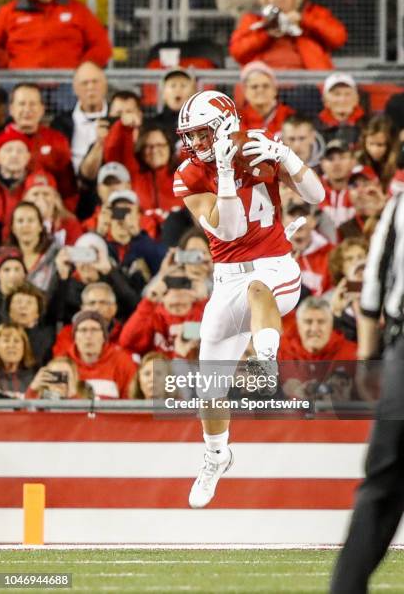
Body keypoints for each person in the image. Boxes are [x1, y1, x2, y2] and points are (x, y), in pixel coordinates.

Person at [172, 89, 324, 508]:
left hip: (275, 268)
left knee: (259, 288)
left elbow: (316, 196)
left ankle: (266, 359)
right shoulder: (190, 173)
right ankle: (217, 455)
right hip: (226, 280)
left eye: (202, 134)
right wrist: (222, 173)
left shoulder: (258, 145)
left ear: (223, 124)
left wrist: (285, 155)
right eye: (192, 136)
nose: (195, 144)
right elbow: (229, 231)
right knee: (211, 388)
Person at [330, 192, 404, 594]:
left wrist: (367, 358)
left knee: (383, 479)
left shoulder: (398, 206)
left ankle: (346, 587)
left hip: (401, 350)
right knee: (383, 479)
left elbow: (374, 287)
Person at [229, 0, 346, 69]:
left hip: (307, 82)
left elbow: (338, 38)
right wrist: (266, 33)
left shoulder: (312, 13)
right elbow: (237, 52)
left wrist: (304, 21)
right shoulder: (253, 19)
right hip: (266, 81)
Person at [0, 0, 112, 69]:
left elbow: (102, 46)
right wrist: (8, 64)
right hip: (21, 85)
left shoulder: (78, 10)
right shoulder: (9, 12)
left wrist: (84, 67)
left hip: (67, 84)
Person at [4, 83, 75, 201]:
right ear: (11, 109)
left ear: (42, 109)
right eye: (22, 104)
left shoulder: (57, 140)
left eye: (33, 104)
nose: (27, 109)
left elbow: (68, 188)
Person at [52, 231, 141, 324]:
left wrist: (110, 271)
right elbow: (55, 316)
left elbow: (136, 308)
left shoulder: (116, 282)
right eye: (81, 256)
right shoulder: (67, 286)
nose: (86, 264)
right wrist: (62, 278)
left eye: (90, 256)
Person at [105, 125, 183, 227]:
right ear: (141, 150)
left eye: (160, 145)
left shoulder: (183, 174)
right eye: (148, 146)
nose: (154, 151)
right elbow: (112, 153)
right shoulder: (133, 175)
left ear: (170, 147)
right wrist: (123, 126)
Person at [119, 271, 206, 359]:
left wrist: (205, 301)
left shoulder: (205, 312)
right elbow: (127, 342)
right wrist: (149, 300)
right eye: (171, 284)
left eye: (183, 284)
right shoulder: (151, 315)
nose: (177, 292)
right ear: (163, 294)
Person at [52, 62, 109, 175]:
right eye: (85, 83)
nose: (90, 87)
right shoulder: (60, 123)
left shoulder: (116, 118)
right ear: (75, 88)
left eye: (95, 82)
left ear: (105, 85)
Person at [65, 310, 137, 399]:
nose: (88, 336)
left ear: (104, 337)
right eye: (83, 330)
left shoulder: (123, 362)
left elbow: (132, 399)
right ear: (75, 337)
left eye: (94, 330)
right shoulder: (64, 363)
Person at [79, 89, 144, 183]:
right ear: (109, 115)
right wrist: (100, 143)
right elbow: (87, 176)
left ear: (139, 116)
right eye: (118, 114)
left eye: (129, 112)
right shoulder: (100, 143)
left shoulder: (148, 142)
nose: (124, 119)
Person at [106, 190, 167, 279]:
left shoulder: (147, 244)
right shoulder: (101, 244)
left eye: (127, 212)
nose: (122, 219)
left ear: (138, 215)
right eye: (117, 212)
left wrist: (137, 236)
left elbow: (161, 265)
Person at [53, 281, 122, 356]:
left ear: (114, 308)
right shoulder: (67, 333)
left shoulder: (123, 334)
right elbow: (61, 360)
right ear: (83, 308)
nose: (96, 308)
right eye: (92, 303)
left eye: (103, 303)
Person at [282, 201, 333, 296]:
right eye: (292, 214)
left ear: (314, 221)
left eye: (302, 214)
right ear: (282, 221)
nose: (297, 220)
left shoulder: (330, 253)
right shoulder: (272, 255)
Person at [7, 201, 60, 292]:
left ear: (40, 226)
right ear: (13, 228)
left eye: (31, 220)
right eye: (20, 221)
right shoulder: (3, 257)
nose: (25, 225)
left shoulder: (56, 255)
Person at [23, 170, 83, 245]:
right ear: (26, 199)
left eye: (46, 194)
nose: (41, 199)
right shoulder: (19, 222)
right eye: (35, 194)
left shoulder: (70, 224)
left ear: (55, 198)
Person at [329, 237, 369, 342]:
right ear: (341, 267)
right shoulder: (331, 299)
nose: (356, 262)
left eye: (360, 257)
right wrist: (336, 313)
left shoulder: (384, 292)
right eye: (349, 259)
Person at [6, 281, 55, 366]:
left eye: (29, 303)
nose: (23, 306)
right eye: (18, 302)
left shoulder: (48, 338)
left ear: (38, 313)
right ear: (9, 310)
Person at [0, 130, 31, 244]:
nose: (14, 155)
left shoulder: (38, 184)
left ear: (28, 157)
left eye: (20, 151)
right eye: (8, 150)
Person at [239, 61, 294, 133]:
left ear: (275, 90)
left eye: (266, 86)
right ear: (245, 91)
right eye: (254, 87)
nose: (260, 90)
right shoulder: (237, 119)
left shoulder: (289, 115)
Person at [339, 165, 387, 241]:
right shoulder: (344, 229)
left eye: (366, 184)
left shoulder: (393, 215)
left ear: (378, 187)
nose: (360, 190)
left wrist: (385, 207)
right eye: (354, 186)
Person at [317, 73, 366, 145]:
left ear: (357, 99)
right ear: (325, 100)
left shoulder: (369, 125)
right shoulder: (314, 127)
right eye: (337, 94)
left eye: (348, 94)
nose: (342, 99)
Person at [319, 139, 356, 229]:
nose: (336, 163)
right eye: (330, 159)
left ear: (353, 161)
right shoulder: (311, 192)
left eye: (342, 157)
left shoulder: (363, 190)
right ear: (322, 164)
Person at [356, 115, 399, 189]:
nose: (374, 150)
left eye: (380, 145)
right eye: (371, 144)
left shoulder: (399, 164)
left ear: (390, 144)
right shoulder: (358, 161)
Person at [0, 322, 36, 398]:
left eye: (16, 341)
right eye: (6, 341)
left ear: (24, 347)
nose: (11, 345)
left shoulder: (34, 377)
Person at [0, 247, 26, 326]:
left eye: (17, 269)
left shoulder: (35, 298)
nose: (13, 275)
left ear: (24, 273)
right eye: (6, 270)